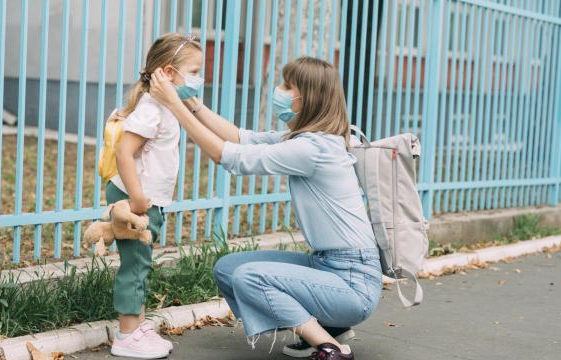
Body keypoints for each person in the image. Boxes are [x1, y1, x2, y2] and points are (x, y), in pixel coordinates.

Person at [149, 57, 381, 360]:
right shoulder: (308, 139)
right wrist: (190, 103)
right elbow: (239, 138)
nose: (279, 90)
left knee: (250, 277)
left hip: (353, 282)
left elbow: (227, 155)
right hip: (329, 266)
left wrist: (175, 108)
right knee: (229, 269)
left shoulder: (312, 149)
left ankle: (331, 349)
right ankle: (329, 326)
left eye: (288, 86)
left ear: (305, 98)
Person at [107, 33, 203, 359]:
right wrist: (137, 200)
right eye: (193, 70)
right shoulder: (151, 109)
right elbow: (124, 152)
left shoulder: (164, 106)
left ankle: (139, 325)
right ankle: (126, 335)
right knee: (134, 268)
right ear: (167, 72)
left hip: (148, 201)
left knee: (141, 265)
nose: (199, 78)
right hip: (136, 202)